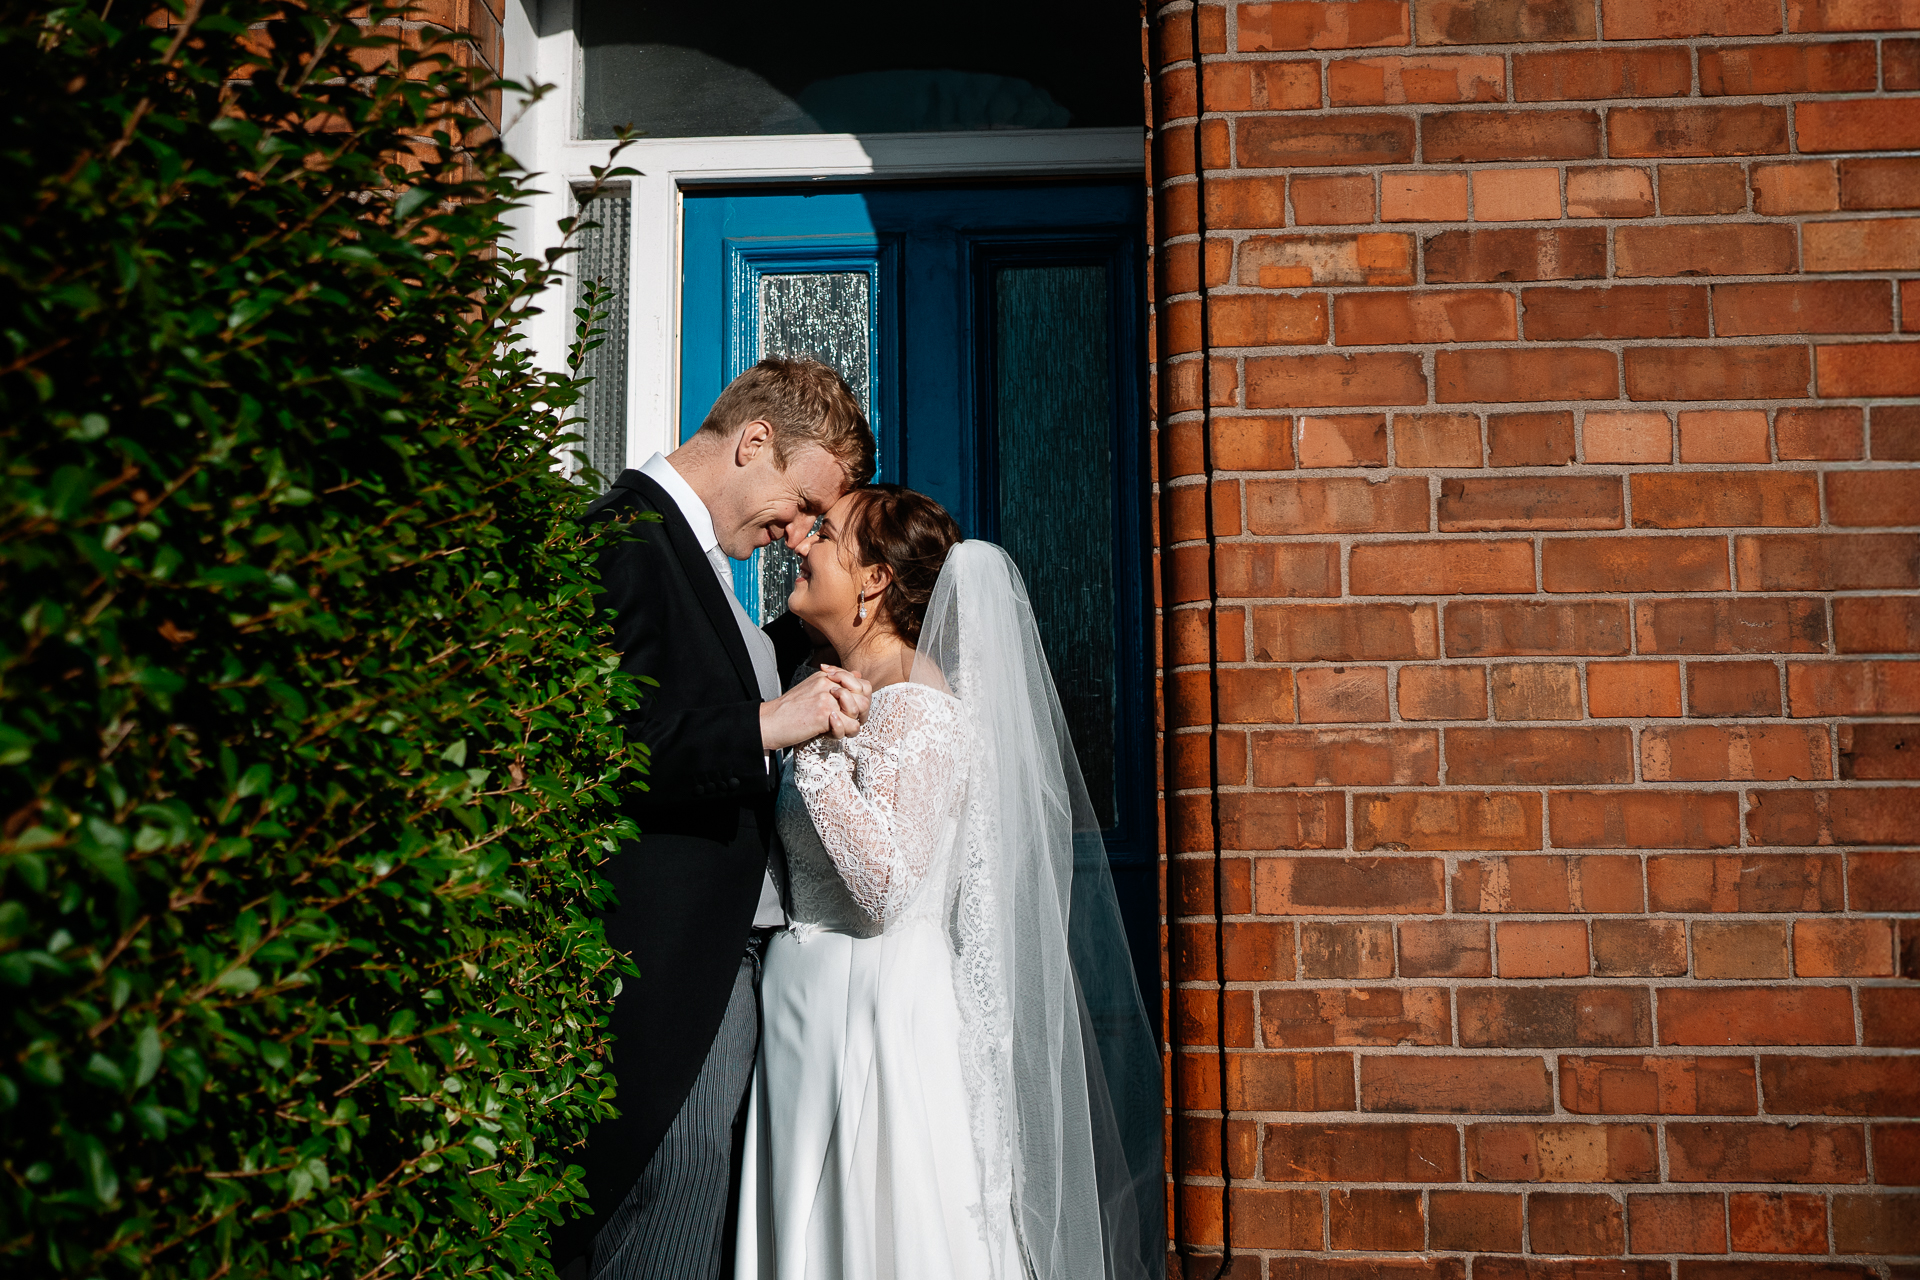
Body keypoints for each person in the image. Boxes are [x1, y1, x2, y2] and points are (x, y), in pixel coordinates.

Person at [733, 484, 1163, 1280]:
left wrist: (815, 749)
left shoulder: (921, 708)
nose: (801, 544)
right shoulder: (828, 681)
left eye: (825, 533)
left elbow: (888, 884)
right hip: (805, 1012)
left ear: (873, 582)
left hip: (874, 1015)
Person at [554, 357, 877, 1280]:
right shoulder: (622, 539)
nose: (801, 532)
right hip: (669, 965)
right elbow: (598, 749)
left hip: (719, 960)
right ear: (755, 442)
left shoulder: (696, 560)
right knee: (673, 1197)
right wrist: (767, 724)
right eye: (806, 504)